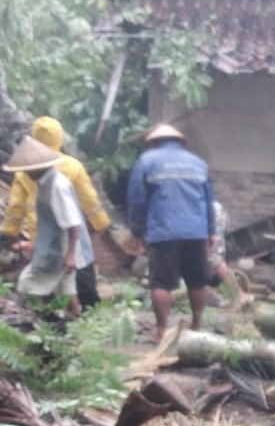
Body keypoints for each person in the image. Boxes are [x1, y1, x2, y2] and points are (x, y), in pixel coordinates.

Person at [2, 116, 111, 309]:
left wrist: (11, 233)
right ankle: (86, 315)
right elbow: (89, 199)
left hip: (43, 234)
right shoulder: (72, 165)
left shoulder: (25, 169)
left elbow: (16, 208)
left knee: (46, 281)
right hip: (72, 237)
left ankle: (52, 314)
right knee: (79, 278)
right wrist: (100, 223)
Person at [126, 124, 215, 342]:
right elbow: (209, 201)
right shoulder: (198, 163)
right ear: (180, 142)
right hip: (196, 231)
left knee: (161, 283)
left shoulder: (146, 161)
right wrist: (210, 231)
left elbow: (137, 200)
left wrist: (137, 231)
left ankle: (161, 330)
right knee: (197, 281)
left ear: (153, 142)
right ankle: (196, 325)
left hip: (163, 231)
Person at [207, 200, 251, 309]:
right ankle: (212, 297)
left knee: (212, 257)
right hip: (209, 214)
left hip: (212, 215)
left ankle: (241, 295)